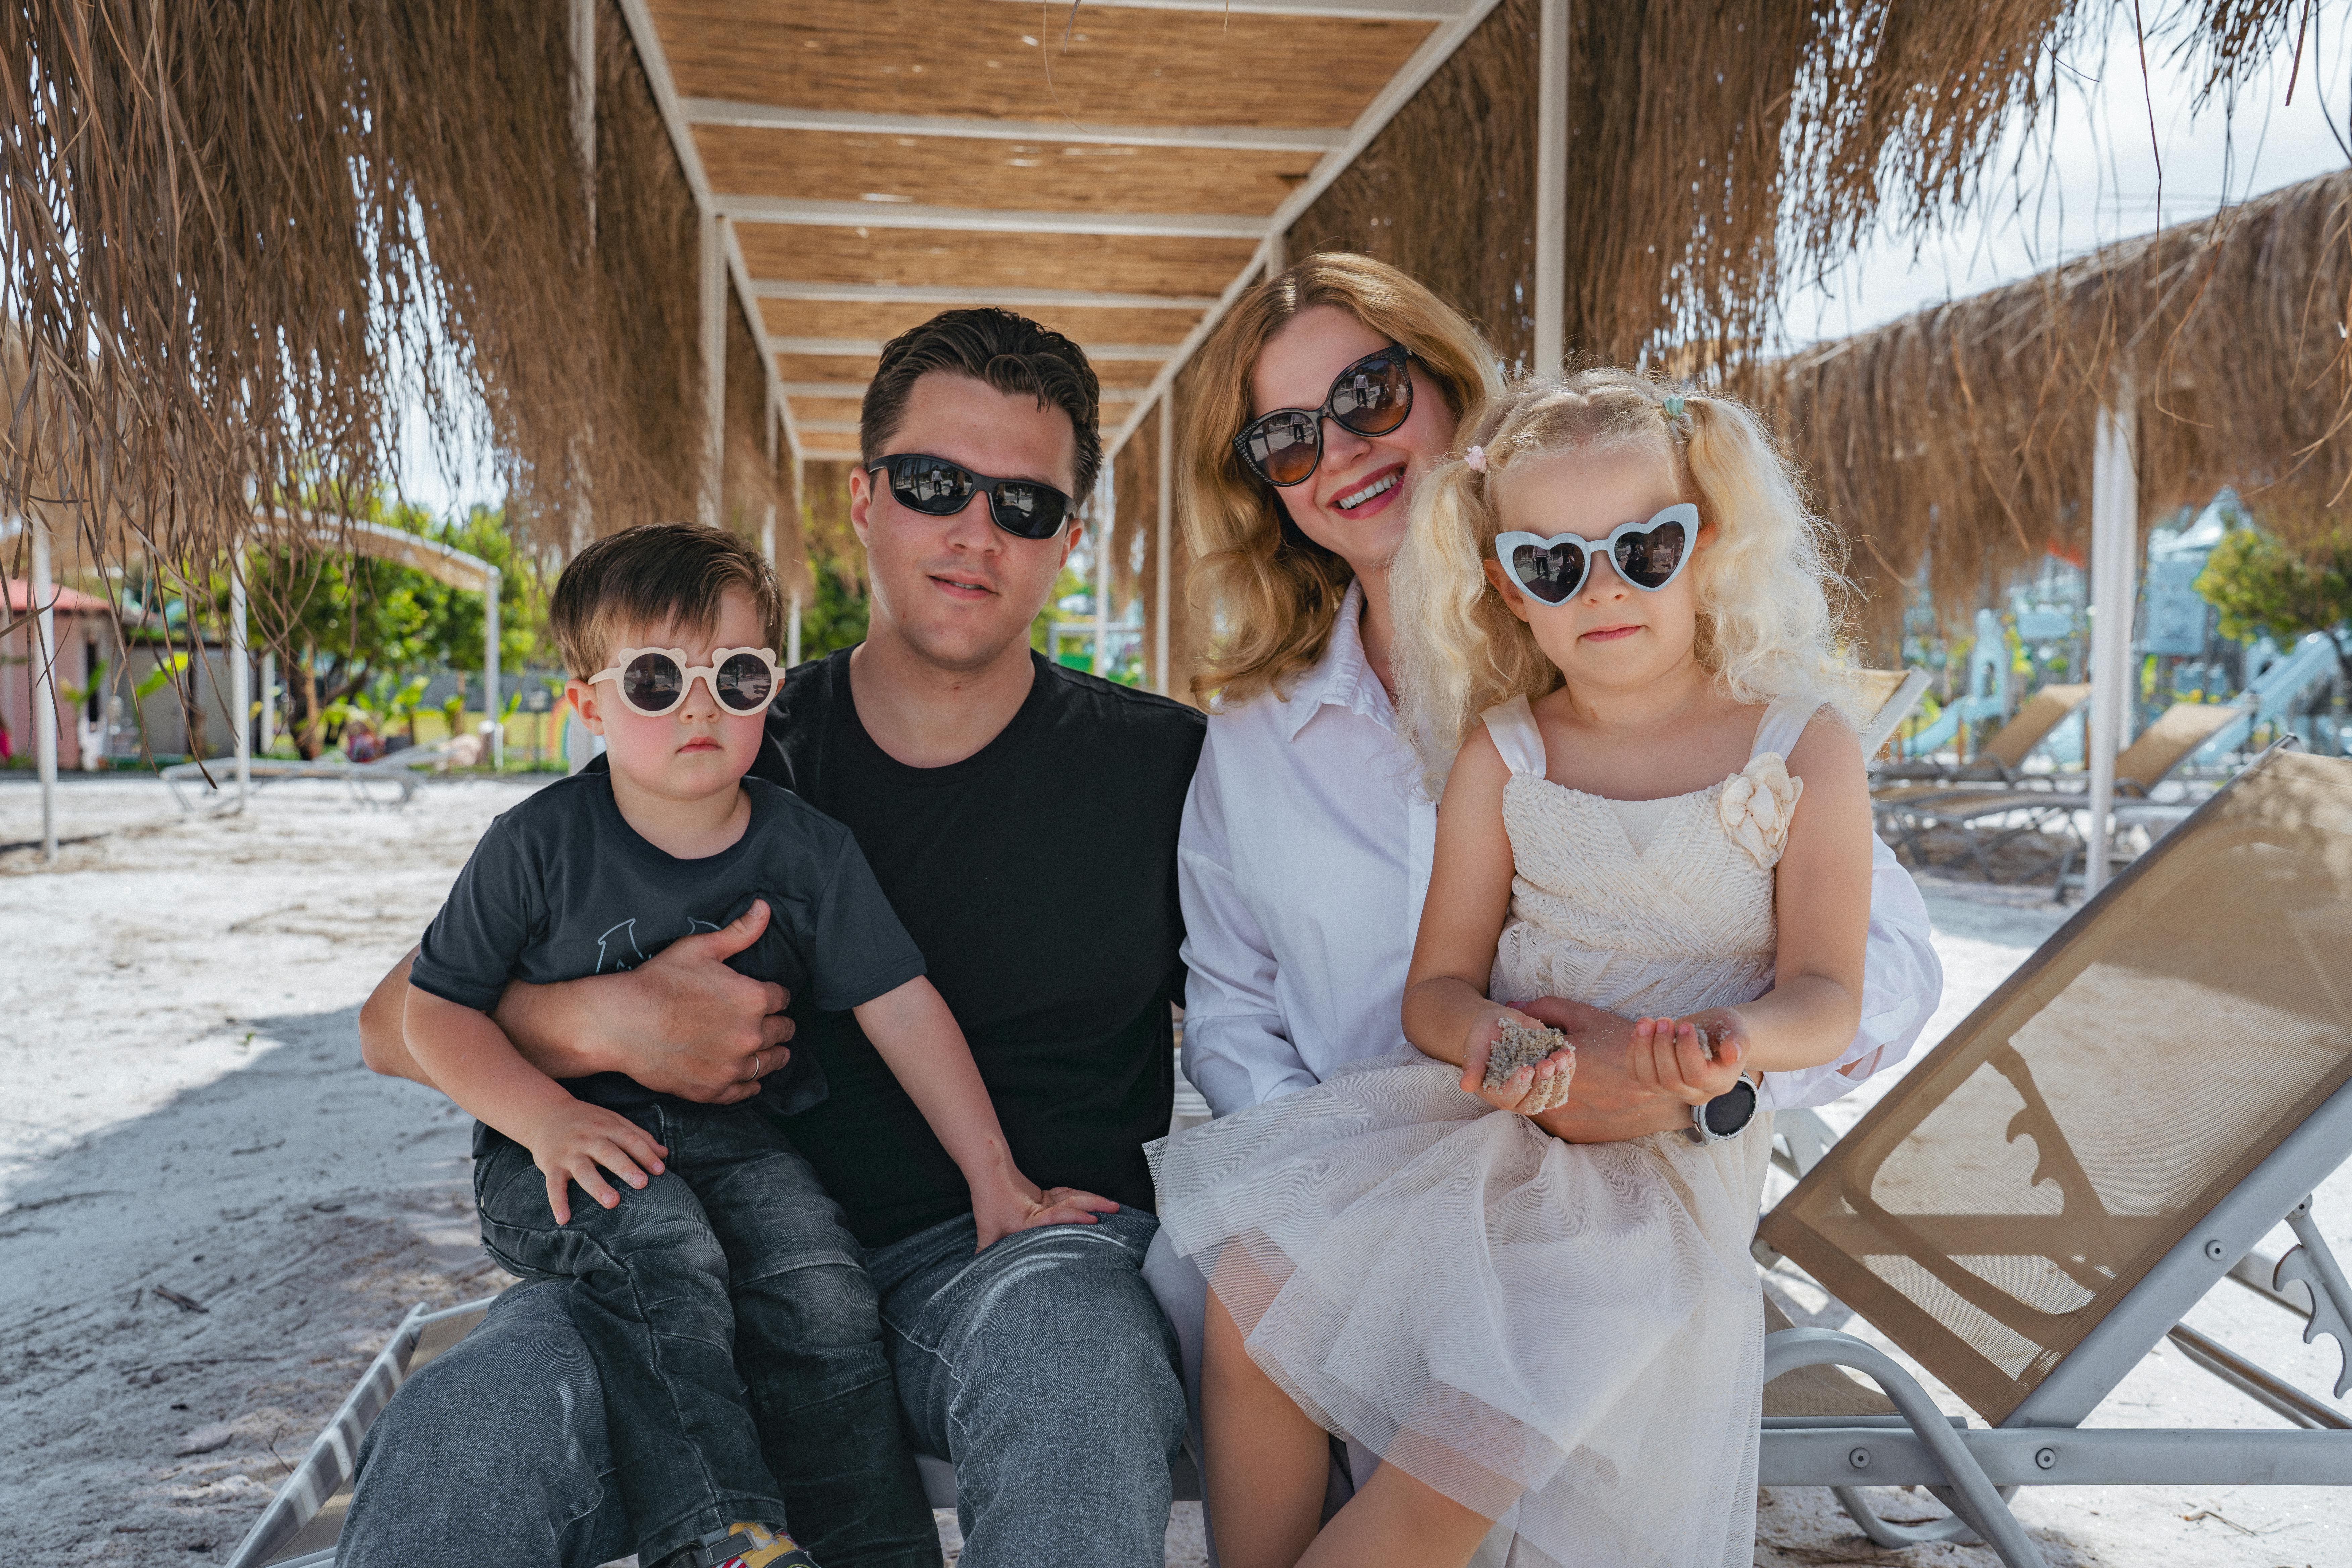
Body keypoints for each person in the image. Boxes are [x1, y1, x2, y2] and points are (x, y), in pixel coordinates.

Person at [343, 308, 1202, 1568]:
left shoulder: (1169, 771)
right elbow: (390, 1024)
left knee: (1079, 1365)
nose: (976, 530)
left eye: (1025, 505)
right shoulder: (722, 730)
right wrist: (606, 1019)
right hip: (678, 1259)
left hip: (1002, 1262)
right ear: (862, 500)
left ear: (1069, 540)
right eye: (933, 485)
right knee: (468, 1426)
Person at [1148, 254, 1940, 1560]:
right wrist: (1380, 1233)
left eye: (1370, 392)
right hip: (1384, 1176)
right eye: (1287, 437)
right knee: (1251, 1288)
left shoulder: (1714, 706)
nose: (1339, 448)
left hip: (1643, 1189)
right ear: (1265, 489)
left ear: (1456, 395)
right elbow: (1234, 1016)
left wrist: (1691, 1082)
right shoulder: (1259, 740)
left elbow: (1885, 965)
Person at [401, 522, 1113, 1568]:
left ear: (769, 690)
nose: (700, 706)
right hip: (558, 1146)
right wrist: (546, 1117)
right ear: (585, 701)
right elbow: (432, 1012)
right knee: (666, 1251)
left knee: (823, 1286)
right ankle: (718, 1538)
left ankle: (874, 1552)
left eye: (735, 676)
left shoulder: (806, 849)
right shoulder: (537, 844)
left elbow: (903, 1006)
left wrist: (996, 1180)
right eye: (655, 680)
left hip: (740, 1142)